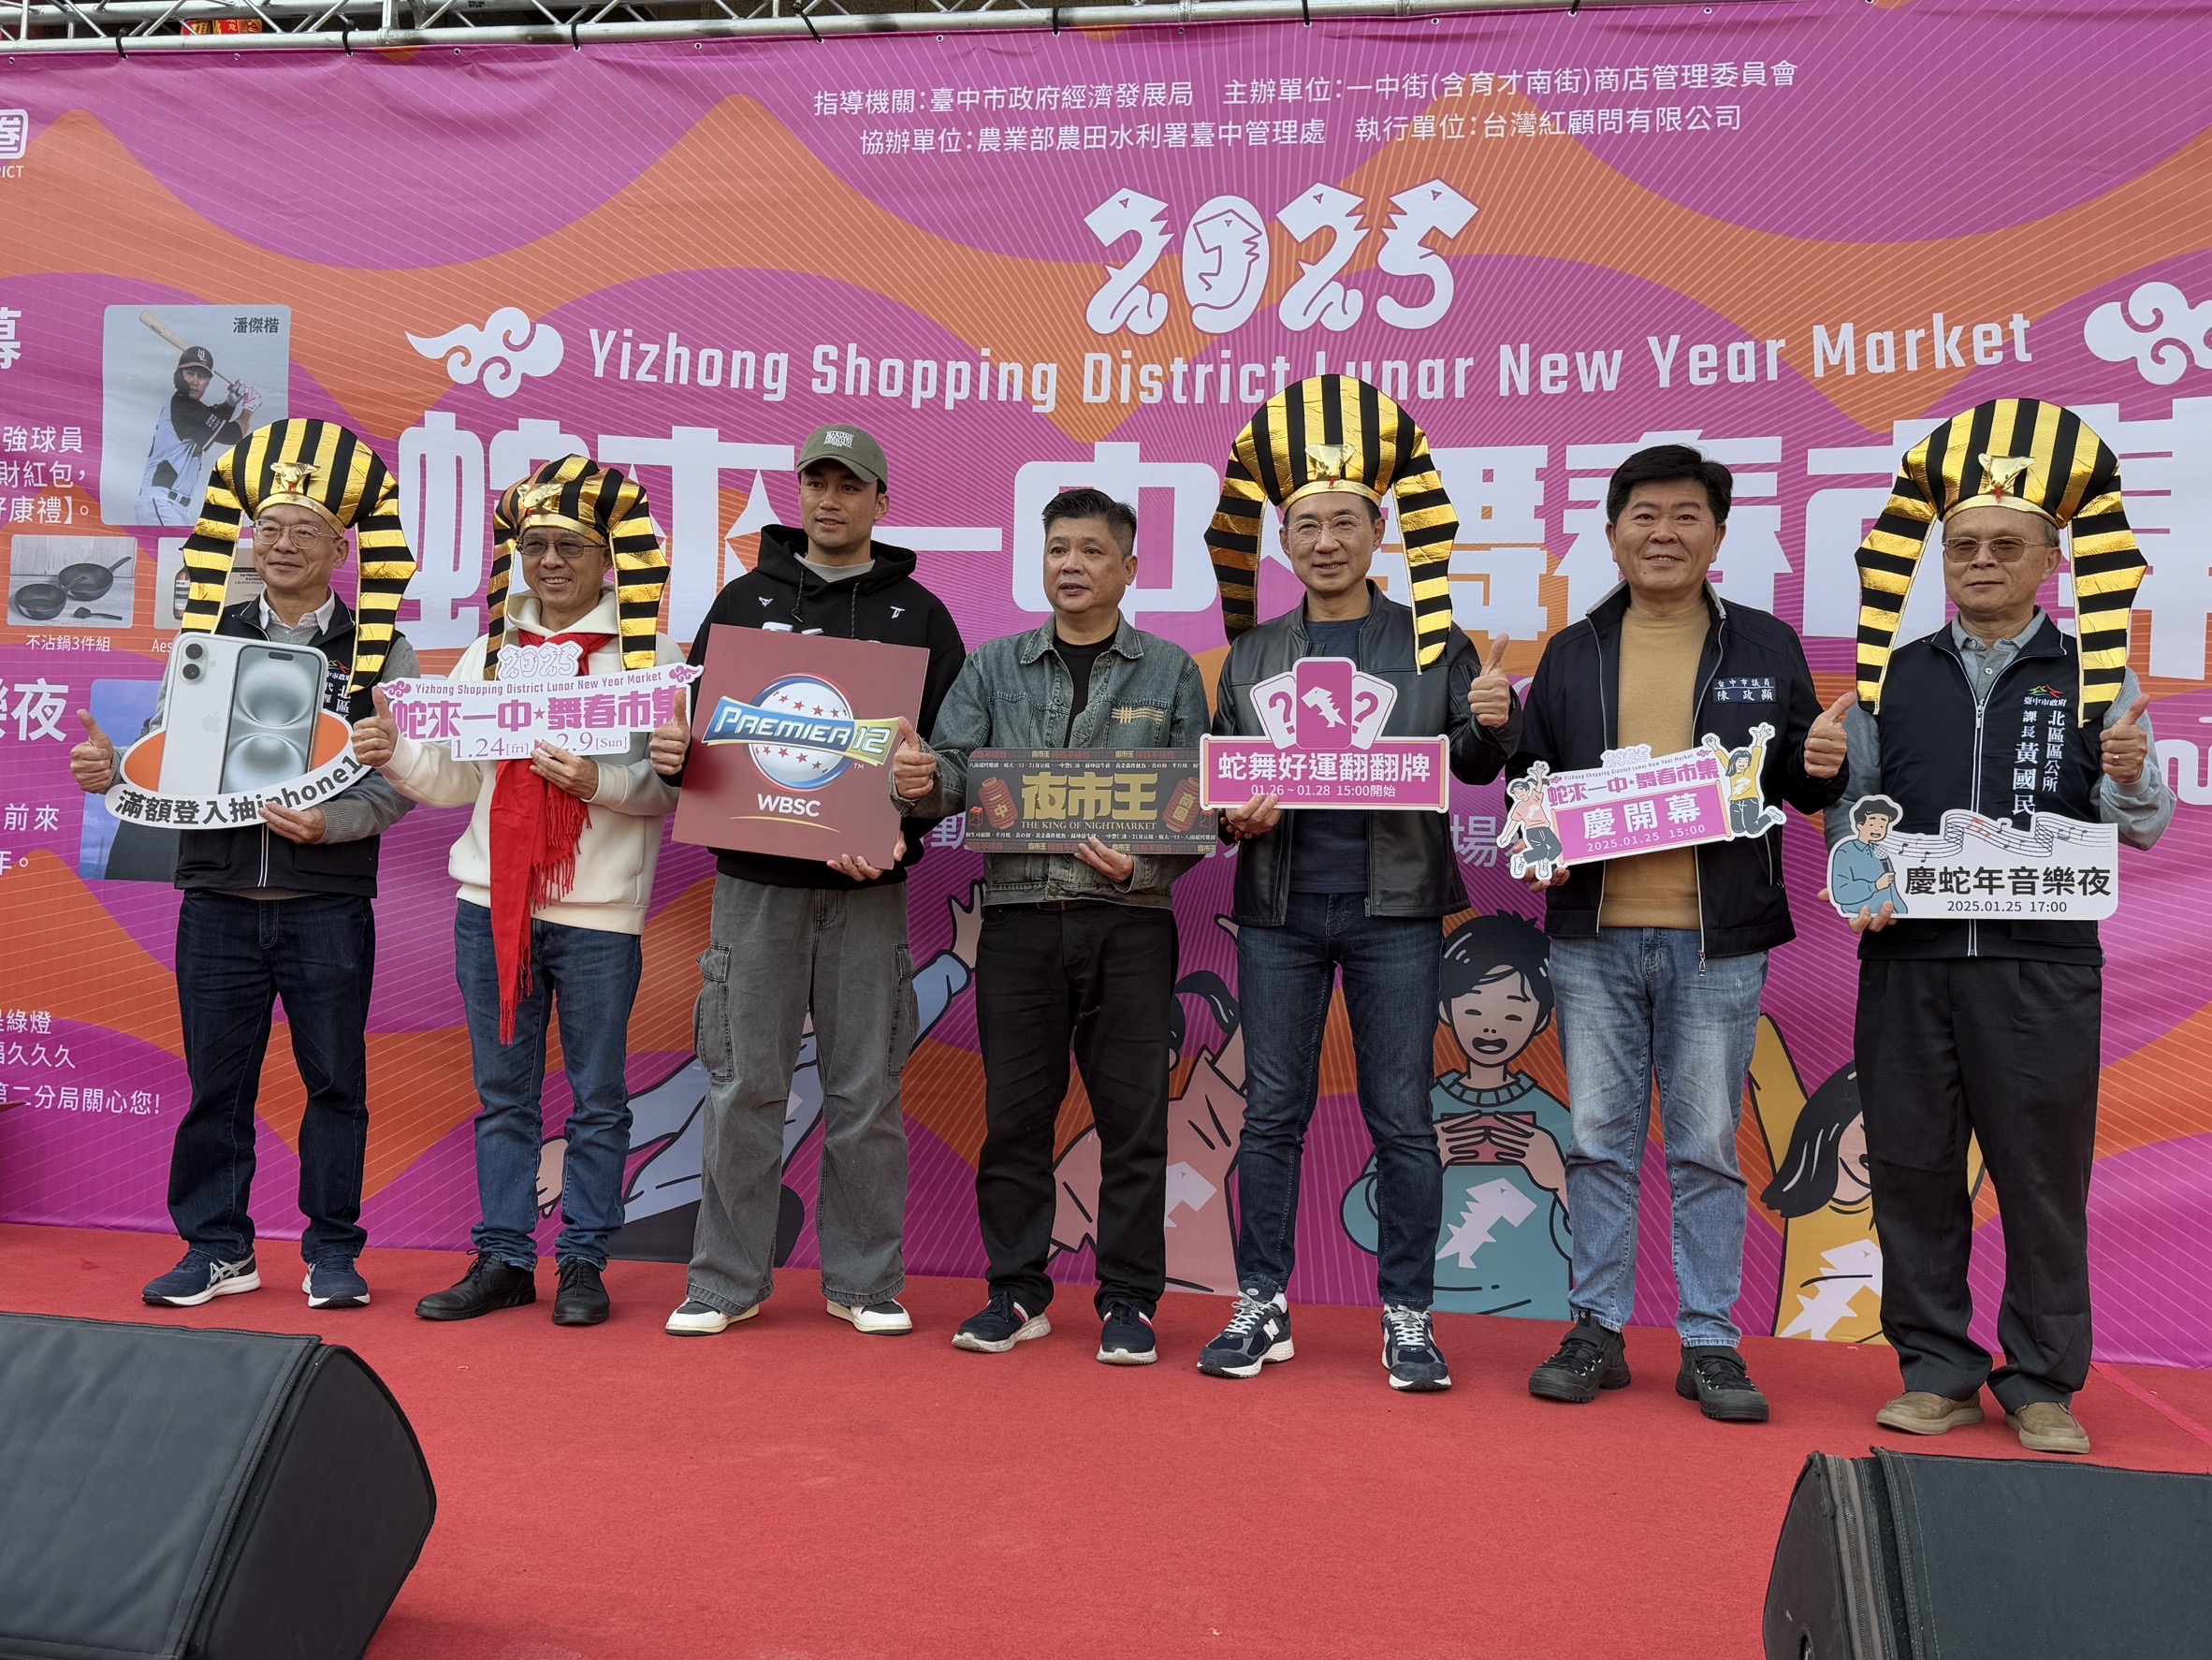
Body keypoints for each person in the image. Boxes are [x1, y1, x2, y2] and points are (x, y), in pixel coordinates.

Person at [1831, 398, 2170, 1456]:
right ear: (1939, 558)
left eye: (2005, 545)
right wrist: (1859, 876)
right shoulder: (1890, 674)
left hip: (2042, 970)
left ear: (2050, 561)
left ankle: (2040, 1382)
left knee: (2042, 1179)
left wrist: (2127, 775)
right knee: (1912, 1171)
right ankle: (1935, 1369)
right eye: (1963, 544)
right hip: (1908, 962)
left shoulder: (2097, 674)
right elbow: (1857, 814)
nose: (1981, 560)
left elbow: (2142, 823)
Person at [1192, 375, 1521, 1393]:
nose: (1326, 541)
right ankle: (1262, 1301)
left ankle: (1409, 1315)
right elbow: (1220, 785)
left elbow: (1474, 765)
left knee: (1402, 1118)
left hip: (1397, 908)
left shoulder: (1433, 640)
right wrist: (1230, 818)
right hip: (1279, 910)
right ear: (1282, 541)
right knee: (1270, 1115)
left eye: (1345, 523)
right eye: (1306, 526)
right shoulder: (1252, 652)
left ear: (1381, 531)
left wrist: (1494, 717)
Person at [1514, 443, 1849, 1423]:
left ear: (1718, 533)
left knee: (1705, 1145)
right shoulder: (1572, 651)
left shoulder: (1766, 646)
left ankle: (1709, 1340)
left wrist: (1824, 761)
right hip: (1594, 937)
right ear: (1613, 533)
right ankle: (1597, 1329)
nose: (1664, 534)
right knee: (1597, 1142)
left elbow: (1798, 783)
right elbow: (1533, 783)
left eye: (1685, 516)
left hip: (1717, 941)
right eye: (1645, 516)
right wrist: (1539, 843)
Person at [69, 419, 418, 1309]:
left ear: (342, 549)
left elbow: (400, 782)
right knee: (215, 1086)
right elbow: (164, 757)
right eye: (270, 528)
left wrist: (331, 824)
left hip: (326, 901)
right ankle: (217, 1247)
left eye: (306, 530)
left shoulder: (379, 649)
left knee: (335, 1083)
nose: (284, 544)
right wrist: (115, 773)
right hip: (218, 899)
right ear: (248, 540)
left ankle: (332, 1251)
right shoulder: (206, 638)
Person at [649, 424, 966, 1338]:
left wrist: (908, 817)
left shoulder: (921, 616)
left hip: (867, 890)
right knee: (742, 1084)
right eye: (816, 482)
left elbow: (947, 764)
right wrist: (674, 759)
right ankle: (725, 1280)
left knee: (866, 1092)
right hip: (755, 888)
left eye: (849, 484)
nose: (829, 499)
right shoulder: (743, 600)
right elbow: (701, 743)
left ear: (881, 501)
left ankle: (864, 1280)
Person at [350, 458, 681, 1328]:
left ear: (608, 558)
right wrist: (395, 753)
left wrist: (598, 782)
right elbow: (459, 780)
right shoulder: (491, 655)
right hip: (490, 903)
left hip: (599, 913)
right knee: (504, 1096)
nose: (552, 562)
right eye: (536, 545)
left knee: (599, 1099)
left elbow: (673, 789)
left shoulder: (648, 657)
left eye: (572, 545)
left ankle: (583, 1262)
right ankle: (502, 1257)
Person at [891, 487, 1211, 1365]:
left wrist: (1143, 869)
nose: (1072, 565)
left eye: (1092, 551)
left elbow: (1200, 805)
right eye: (1058, 549)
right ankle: (1016, 1292)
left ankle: (1130, 1301)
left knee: (1134, 1124)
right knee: (1015, 1119)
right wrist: (921, 780)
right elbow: (952, 772)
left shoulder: (1171, 673)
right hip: (1019, 920)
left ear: (1129, 568)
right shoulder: (993, 666)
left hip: (1130, 921)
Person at [1345, 910, 1573, 1319]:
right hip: (1423, 1305)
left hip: (1537, 1307)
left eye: (1512, 1014)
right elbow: (1361, 1221)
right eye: (1473, 1011)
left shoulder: (1553, 1116)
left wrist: (1558, 1180)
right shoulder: (1419, 1105)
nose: (1491, 1028)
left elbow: (1598, 1247)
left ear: (1541, 1018)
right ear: (1445, 1009)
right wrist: (1423, 1164)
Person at [136, 346, 259, 527]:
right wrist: (249, 408)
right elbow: (232, 434)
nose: (195, 381)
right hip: (160, 503)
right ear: (179, 375)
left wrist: (231, 402)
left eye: (201, 376)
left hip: (173, 506)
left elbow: (211, 421)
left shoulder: (190, 407)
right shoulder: (183, 407)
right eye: (190, 373)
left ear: (208, 382)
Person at [1827, 795, 1907, 917]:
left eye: (1882, 826)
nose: (1877, 829)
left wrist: (1905, 911)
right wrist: (1874, 886)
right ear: (1859, 826)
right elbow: (1840, 893)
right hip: (1859, 912)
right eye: (1872, 824)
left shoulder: (1881, 850)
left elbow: (1892, 890)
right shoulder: (1844, 851)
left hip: (1890, 913)